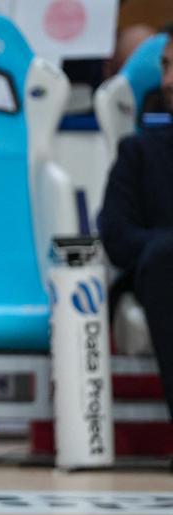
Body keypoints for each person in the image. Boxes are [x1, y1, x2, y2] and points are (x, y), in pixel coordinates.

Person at [98, 26, 173, 420]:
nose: (168, 81)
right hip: (161, 277)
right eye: (165, 67)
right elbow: (116, 237)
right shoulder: (138, 153)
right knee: (164, 257)